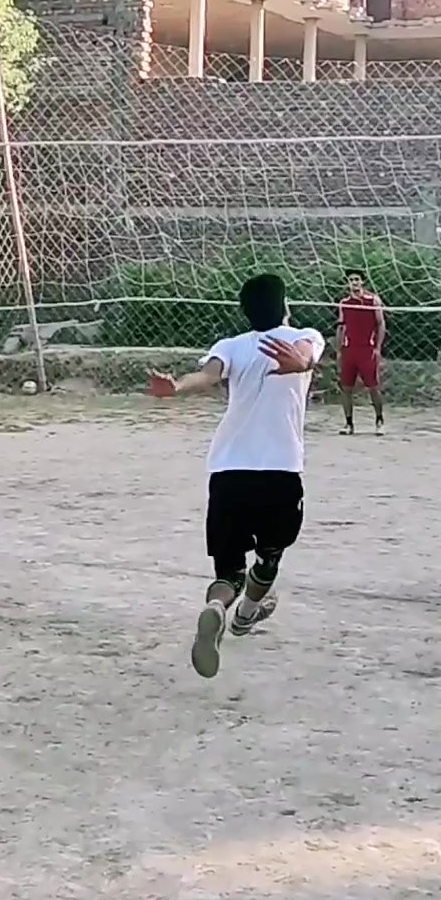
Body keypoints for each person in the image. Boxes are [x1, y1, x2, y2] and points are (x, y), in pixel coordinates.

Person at [149, 273, 325, 679]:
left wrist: (175, 387)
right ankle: (246, 615)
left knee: (228, 571)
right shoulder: (304, 336)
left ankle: (219, 606)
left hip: (228, 469)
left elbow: (209, 376)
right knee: (269, 556)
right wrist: (301, 364)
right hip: (279, 469)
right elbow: (306, 354)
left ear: (245, 312)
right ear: (285, 305)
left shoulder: (230, 346)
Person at [337, 269, 386, 436]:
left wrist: (378, 347)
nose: (354, 282)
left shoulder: (373, 300)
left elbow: (380, 324)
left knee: (373, 387)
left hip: (367, 349)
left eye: (357, 279)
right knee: (346, 388)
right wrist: (339, 350)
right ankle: (348, 423)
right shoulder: (344, 303)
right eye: (351, 280)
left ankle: (379, 420)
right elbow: (341, 326)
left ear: (362, 282)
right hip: (349, 349)